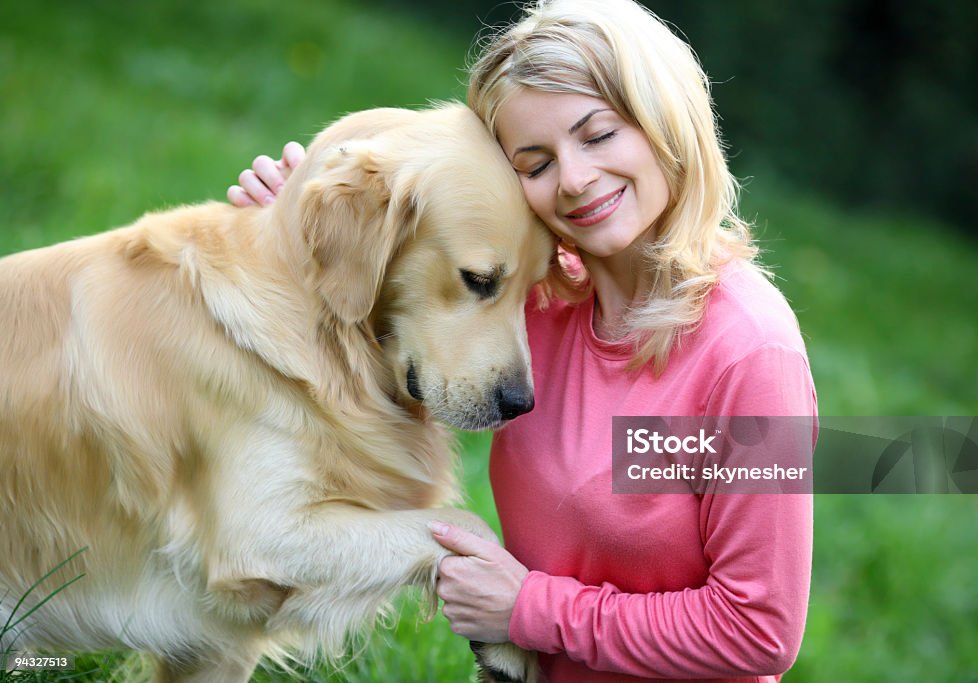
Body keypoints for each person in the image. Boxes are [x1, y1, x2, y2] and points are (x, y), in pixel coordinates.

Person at [228, 1, 816, 681]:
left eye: (597, 135)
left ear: (665, 121)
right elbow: (397, 280)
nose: (573, 178)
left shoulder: (752, 354)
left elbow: (759, 629)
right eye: (534, 163)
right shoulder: (533, 300)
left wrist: (530, 610)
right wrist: (308, 221)